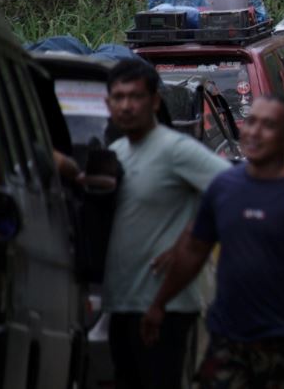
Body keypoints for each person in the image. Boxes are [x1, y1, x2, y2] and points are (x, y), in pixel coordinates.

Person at [142, 95, 284, 387]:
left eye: (268, 125)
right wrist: (159, 304)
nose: (254, 132)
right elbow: (194, 251)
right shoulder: (224, 187)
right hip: (228, 338)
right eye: (251, 122)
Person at [102, 59, 231, 389]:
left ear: (154, 101)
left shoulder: (176, 150)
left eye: (135, 97)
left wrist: (189, 240)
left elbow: (233, 190)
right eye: (118, 97)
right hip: (122, 303)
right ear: (108, 103)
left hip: (167, 306)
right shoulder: (116, 152)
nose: (127, 106)